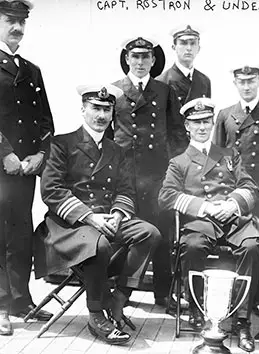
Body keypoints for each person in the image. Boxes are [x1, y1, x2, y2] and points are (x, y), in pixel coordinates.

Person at [36, 84, 161, 344]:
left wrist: (117, 215)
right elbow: (51, 191)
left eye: (107, 109)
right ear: (83, 110)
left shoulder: (117, 150)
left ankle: (118, 298)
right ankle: (96, 313)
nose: (101, 115)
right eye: (95, 108)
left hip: (106, 218)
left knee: (149, 233)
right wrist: (90, 217)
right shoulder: (61, 144)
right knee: (99, 244)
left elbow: (126, 189)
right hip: (67, 224)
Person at [158, 97, 259, 353]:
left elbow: (251, 186)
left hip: (233, 219)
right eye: (196, 122)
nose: (202, 127)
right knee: (192, 246)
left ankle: (242, 320)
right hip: (202, 222)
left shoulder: (229, 155)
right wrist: (204, 207)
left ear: (212, 122)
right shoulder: (179, 162)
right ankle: (197, 312)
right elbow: (166, 196)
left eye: (206, 121)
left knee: (251, 248)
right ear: (187, 126)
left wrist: (233, 203)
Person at [111, 36, 189, 308]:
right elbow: (107, 137)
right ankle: (123, 292)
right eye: (135, 56)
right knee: (127, 234)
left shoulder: (164, 91)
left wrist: (176, 170)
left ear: (154, 60)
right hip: (125, 177)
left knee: (163, 235)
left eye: (146, 56)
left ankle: (163, 294)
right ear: (127, 59)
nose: (141, 62)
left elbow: (178, 132)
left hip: (158, 176)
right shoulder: (113, 90)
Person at [213, 65, 259, 318]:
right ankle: (228, 297)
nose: (247, 86)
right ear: (235, 83)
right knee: (234, 242)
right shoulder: (224, 115)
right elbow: (215, 156)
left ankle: (256, 297)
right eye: (242, 82)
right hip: (233, 191)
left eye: (251, 81)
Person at [0, 0, 54, 335]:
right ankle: (1, 305)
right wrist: (4, 153)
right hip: (1, 166)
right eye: (10, 20)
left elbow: (45, 120)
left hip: (24, 169)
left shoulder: (31, 70)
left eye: (22, 21)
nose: (17, 27)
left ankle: (20, 300)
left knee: (20, 232)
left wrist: (40, 155)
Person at [156, 25, 211, 106]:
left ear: (198, 48)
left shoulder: (204, 81)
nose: (189, 48)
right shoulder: (161, 82)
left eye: (193, 43)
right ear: (174, 47)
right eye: (183, 43)